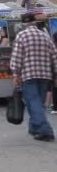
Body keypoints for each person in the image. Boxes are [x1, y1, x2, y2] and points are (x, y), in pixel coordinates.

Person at [10, 14, 57, 142]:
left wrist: (15, 73)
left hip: (28, 75)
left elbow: (17, 57)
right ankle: (34, 128)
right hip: (45, 75)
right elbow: (54, 55)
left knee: (33, 102)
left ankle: (45, 130)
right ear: (35, 22)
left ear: (23, 24)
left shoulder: (22, 36)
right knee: (38, 103)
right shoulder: (45, 36)